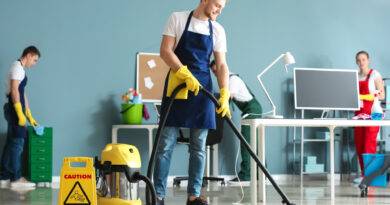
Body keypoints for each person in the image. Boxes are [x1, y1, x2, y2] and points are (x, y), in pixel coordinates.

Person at [154, 0, 230, 204]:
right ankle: (158, 195)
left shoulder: (218, 30)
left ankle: (194, 195)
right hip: (178, 86)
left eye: (222, 7)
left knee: (198, 146)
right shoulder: (177, 18)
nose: (219, 10)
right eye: (217, 4)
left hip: (203, 90)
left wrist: (224, 92)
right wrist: (183, 73)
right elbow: (165, 51)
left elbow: (221, 65)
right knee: (165, 144)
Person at [210, 60, 263, 183]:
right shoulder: (229, 80)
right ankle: (260, 174)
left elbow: (229, 96)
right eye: (213, 72)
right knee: (255, 142)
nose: (215, 73)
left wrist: (219, 111)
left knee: (247, 142)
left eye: (216, 70)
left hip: (252, 109)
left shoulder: (232, 80)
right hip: (249, 109)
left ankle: (246, 175)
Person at [0, 46, 40, 189]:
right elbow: (14, 90)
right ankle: (16, 179)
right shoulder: (17, 67)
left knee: (11, 143)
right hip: (14, 109)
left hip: (17, 109)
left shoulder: (20, 69)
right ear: (28, 55)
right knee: (17, 145)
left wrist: (28, 113)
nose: (34, 64)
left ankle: (4, 176)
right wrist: (19, 112)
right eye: (34, 60)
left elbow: (22, 93)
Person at [353, 50, 385, 183]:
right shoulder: (355, 77)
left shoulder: (374, 74)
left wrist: (368, 96)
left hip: (373, 114)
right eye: (359, 60)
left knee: (368, 145)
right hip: (359, 114)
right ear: (356, 62)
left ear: (368, 60)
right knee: (360, 146)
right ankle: (364, 175)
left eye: (363, 59)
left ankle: (370, 176)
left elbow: (382, 95)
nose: (361, 62)